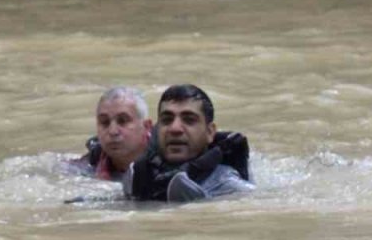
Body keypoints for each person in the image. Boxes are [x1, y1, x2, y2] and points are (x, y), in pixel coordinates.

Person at [124, 84, 254, 203]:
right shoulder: (136, 177)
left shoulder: (230, 186)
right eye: (167, 120)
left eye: (189, 120)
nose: (175, 129)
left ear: (209, 132)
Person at [73, 87, 153, 182]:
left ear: (146, 126)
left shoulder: (164, 161)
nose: (113, 131)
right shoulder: (93, 160)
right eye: (104, 122)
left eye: (122, 121)